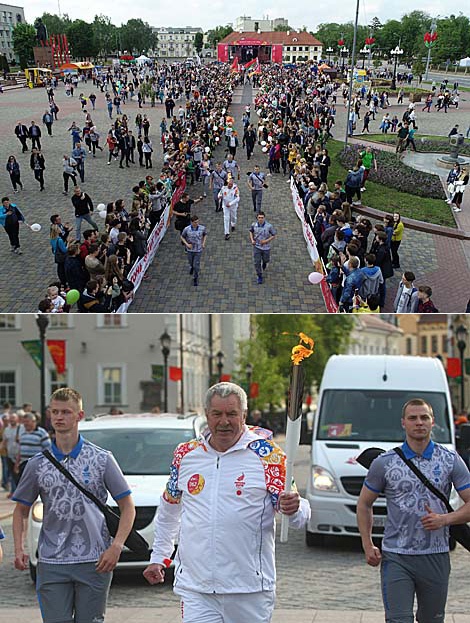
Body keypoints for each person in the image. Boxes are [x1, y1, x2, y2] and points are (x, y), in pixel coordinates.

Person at [143, 382, 310, 623]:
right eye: (217, 414)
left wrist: (295, 509)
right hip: (196, 587)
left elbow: (299, 516)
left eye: (232, 414)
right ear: (206, 415)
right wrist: (160, 556)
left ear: (244, 414)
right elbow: (170, 509)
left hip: (249, 588)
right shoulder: (185, 455)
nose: (224, 421)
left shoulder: (269, 456)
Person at [12, 387, 135, 623]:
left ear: (79, 416)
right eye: (55, 412)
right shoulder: (38, 465)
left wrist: (116, 546)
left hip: (95, 560)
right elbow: (20, 510)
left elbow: (127, 506)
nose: (59, 417)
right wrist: (18, 548)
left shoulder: (101, 459)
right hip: (51, 560)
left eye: (66, 412)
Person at [357, 398, 470, 623]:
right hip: (396, 555)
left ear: (432, 422)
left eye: (424, 417)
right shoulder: (385, 463)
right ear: (403, 423)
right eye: (413, 418)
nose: (419, 423)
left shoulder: (449, 460)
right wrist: (367, 543)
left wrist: (445, 519)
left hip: (435, 555)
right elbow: (364, 504)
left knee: (432, 619)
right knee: (399, 620)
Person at [249, 211, 277, 284]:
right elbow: (251, 231)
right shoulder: (254, 225)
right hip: (257, 247)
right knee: (257, 262)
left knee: (266, 259)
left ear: (264, 218)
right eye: (259, 218)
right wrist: (252, 240)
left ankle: (264, 263)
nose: (261, 219)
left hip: (266, 247)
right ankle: (259, 275)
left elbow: (273, 235)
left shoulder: (269, 226)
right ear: (257, 218)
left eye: (262, 218)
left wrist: (266, 241)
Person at [181, 214, 207, 287]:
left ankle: (195, 277)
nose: (197, 223)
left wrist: (203, 243)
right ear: (191, 222)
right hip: (190, 250)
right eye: (195, 222)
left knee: (196, 265)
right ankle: (191, 267)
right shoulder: (187, 229)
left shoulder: (202, 228)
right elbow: (182, 237)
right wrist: (187, 244)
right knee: (191, 262)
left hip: (198, 250)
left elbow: (205, 235)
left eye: (198, 222)